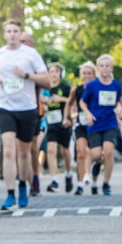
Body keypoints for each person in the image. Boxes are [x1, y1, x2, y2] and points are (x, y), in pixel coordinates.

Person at [0, 19, 49, 210]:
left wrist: (26, 75)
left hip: (27, 108)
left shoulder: (30, 54)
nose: (12, 34)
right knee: (8, 151)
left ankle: (23, 185)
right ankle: (10, 194)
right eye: (9, 31)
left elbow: (47, 80)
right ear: (4, 34)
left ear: (20, 33)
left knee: (24, 153)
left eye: (15, 31)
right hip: (5, 107)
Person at [79, 54, 122, 196]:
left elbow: (118, 102)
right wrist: (87, 113)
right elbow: (82, 102)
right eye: (102, 66)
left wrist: (119, 108)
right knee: (97, 154)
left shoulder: (116, 85)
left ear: (112, 68)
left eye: (107, 66)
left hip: (110, 122)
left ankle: (106, 183)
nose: (104, 68)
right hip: (95, 123)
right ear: (98, 68)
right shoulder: (92, 85)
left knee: (109, 151)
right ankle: (96, 165)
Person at [66, 61, 97, 195]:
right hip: (80, 124)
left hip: (95, 124)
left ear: (94, 75)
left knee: (96, 154)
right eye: (84, 73)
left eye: (89, 73)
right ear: (80, 75)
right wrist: (67, 117)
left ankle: (93, 179)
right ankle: (80, 184)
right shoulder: (77, 89)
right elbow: (69, 103)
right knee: (81, 152)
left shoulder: (98, 88)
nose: (86, 76)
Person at [43, 63, 74, 193]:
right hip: (50, 123)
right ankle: (54, 180)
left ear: (61, 73)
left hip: (63, 122)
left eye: (56, 71)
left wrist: (61, 99)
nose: (54, 74)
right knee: (51, 150)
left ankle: (68, 174)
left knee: (65, 150)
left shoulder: (65, 87)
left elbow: (72, 102)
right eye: (51, 71)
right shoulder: (45, 88)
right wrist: (45, 103)